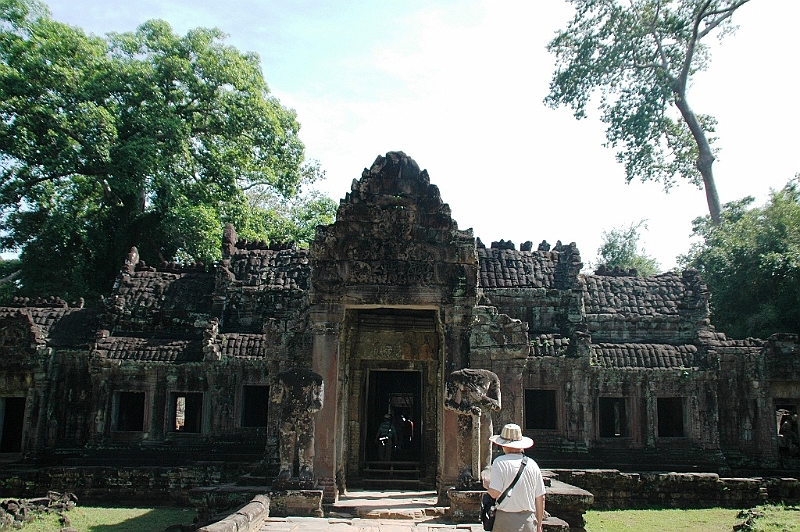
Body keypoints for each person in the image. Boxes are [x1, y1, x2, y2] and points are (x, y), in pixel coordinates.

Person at [484, 423, 546, 532]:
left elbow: (495, 493)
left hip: (505, 521)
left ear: (503, 445)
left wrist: (487, 485)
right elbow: (540, 497)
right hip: (529, 521)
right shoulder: (533, 464)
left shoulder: (499, 463)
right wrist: (539, 524)